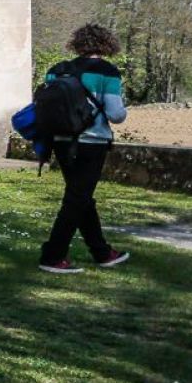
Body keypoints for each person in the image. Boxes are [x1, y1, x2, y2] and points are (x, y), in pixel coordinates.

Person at [38, 23, 131, 274]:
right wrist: (124, 110)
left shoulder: (57, 70)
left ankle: (102, 252)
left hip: (59, 141)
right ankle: (53, 256)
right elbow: (115, 113)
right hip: (92, 142)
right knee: (76, 199)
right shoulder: (108, 72)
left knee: (81, 198)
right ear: (107, 44)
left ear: (77, 43)